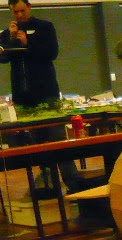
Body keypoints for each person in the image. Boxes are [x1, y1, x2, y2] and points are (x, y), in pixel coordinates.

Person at [0, 0, 86, 196]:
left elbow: (51, 53)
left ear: (29, 7)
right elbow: (3, 57)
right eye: (15, 12)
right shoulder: (8, 33)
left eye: (22, 11)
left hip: (46, 94)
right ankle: (49, 187)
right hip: (23, 97)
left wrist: (27, 44)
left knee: (57, 141)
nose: (19, 15)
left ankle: (74, 186)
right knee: (37, 145)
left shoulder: (45, 27)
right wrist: (11, 39)